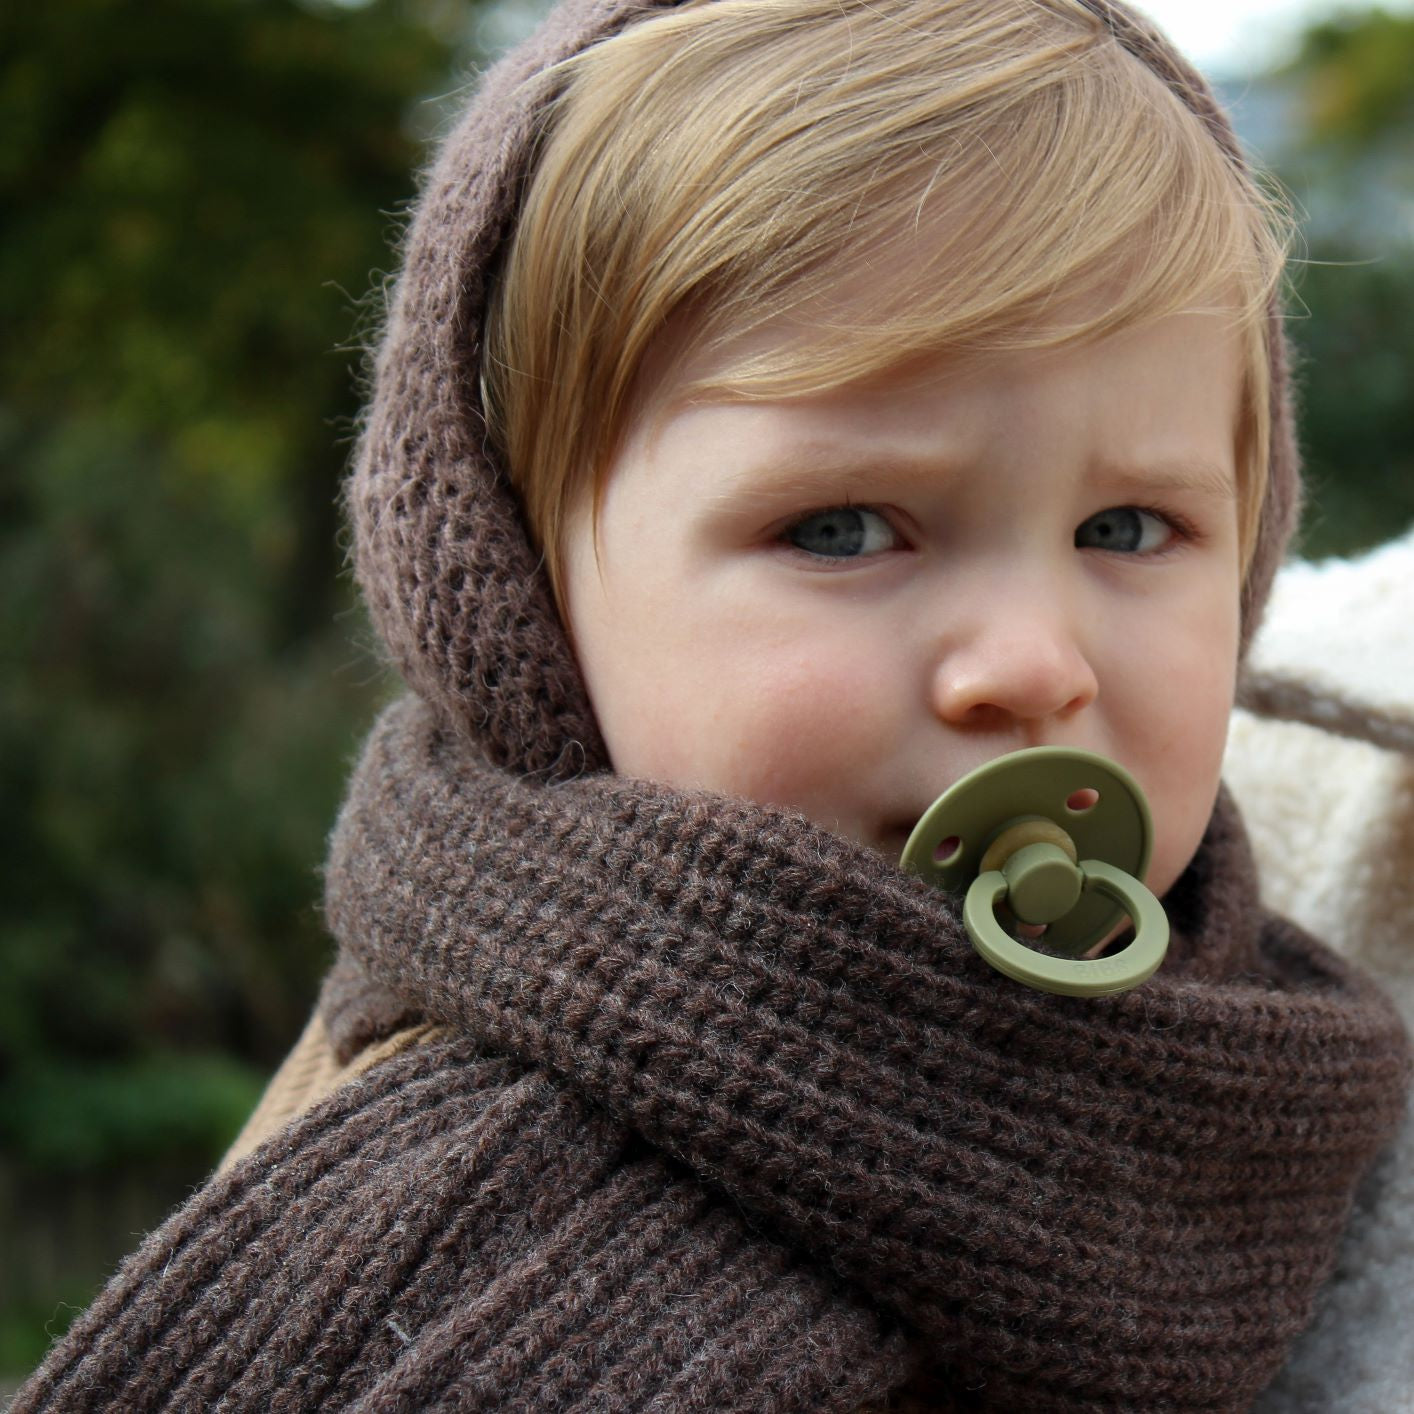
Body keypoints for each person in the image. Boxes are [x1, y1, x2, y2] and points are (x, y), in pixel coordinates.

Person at [14, 1, 1410, 1410]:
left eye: (1124, 530)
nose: (1033, 662)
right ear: (528, 602)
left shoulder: (1249, 1070)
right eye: (844, 531)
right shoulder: (452, 1219)